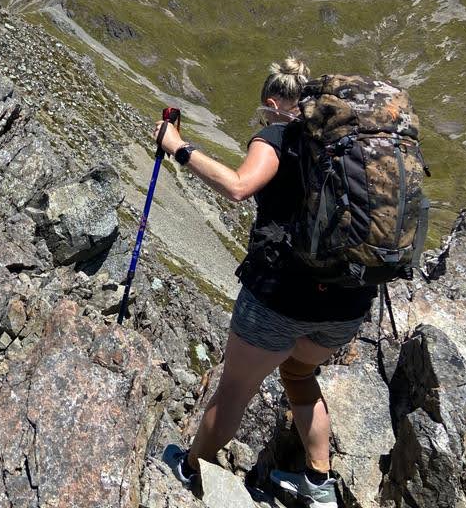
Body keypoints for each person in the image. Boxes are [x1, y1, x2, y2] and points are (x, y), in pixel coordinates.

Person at [154, 57, 377, 508]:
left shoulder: (277, 135)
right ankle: (318, 484)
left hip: (281, 295)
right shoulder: (353, 144)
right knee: (298, 371)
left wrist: (177, 146)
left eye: (265, 110)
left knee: (235, 388)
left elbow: (239, 186)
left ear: (275, 104)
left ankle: (191, 467)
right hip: (348, 300)